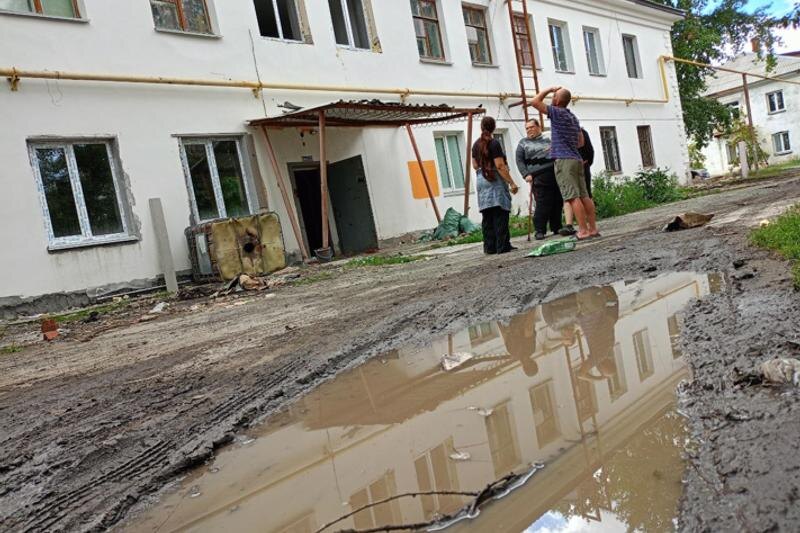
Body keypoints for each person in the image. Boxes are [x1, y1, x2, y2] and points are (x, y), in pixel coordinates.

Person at [531, 86, 599, 240]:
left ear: (557, 100)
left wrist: (549, 89)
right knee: (584, 195)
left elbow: (534, 102)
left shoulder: (556, 112)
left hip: (564, 160)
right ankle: (593, 229)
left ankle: (583, 230)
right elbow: (580, 142)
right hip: (576, 159)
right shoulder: (572, 117)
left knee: (572, 197)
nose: (551, 98)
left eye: (554, 96)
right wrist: (563, 143)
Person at [473, 116, 520, 254]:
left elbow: (475, 165)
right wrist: (512, 182)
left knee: (487, 214)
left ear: (481, 127)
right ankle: (502, 245)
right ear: (493, 127)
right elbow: (499, 165)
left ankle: (490, 247)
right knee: (500, 212)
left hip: (481, 180)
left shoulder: (475, 144)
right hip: (494, 179)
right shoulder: (494, 143)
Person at [515, 119, 563, 240]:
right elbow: (519, 161)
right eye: (527, 128)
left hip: (554, 172)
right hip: (538, 176)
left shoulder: (548, 139)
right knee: (542, 203)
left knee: (557, 201)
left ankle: (557, 226)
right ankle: (539, 230)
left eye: (531, 127)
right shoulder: (523, 143)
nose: (529, 130)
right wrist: (525, 174)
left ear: (538, 127)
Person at [562, 128, 595, 235]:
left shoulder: (578, 132)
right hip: (578, 165)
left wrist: (586, 162)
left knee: (576, 195)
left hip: (577, 166)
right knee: (571, 196)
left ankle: (585, 227)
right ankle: (571, 225)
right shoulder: (566, 131)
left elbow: (589, 150)